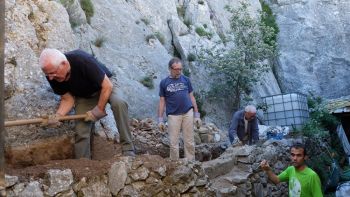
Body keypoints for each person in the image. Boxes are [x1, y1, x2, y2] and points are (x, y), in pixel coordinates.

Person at [39, 48, 135, 159]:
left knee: (119, 103)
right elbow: (67, 99)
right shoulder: (51, 75)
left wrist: (99, 109)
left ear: (64, 64)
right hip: (85, 96)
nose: (51, 77)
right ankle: (83, 163)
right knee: (81, 130)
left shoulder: (82, 60)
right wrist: (58, 116)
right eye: (48, 75)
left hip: (106, 85)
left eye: (53, 73)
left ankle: (128, 149)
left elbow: (107, 86)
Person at [157, 57, 201, 161]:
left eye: (180, 69)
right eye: (176, 69)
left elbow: (192, 97)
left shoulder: (186, 80)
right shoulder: (164, 83)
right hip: (173, 115)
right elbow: (162, 101)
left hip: (187, 112)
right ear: (170, 69)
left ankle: (191, 164)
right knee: (173, 143)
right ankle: (175, 165)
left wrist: (197, 115)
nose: (179, 71)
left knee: (189, 141)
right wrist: (160, 120)